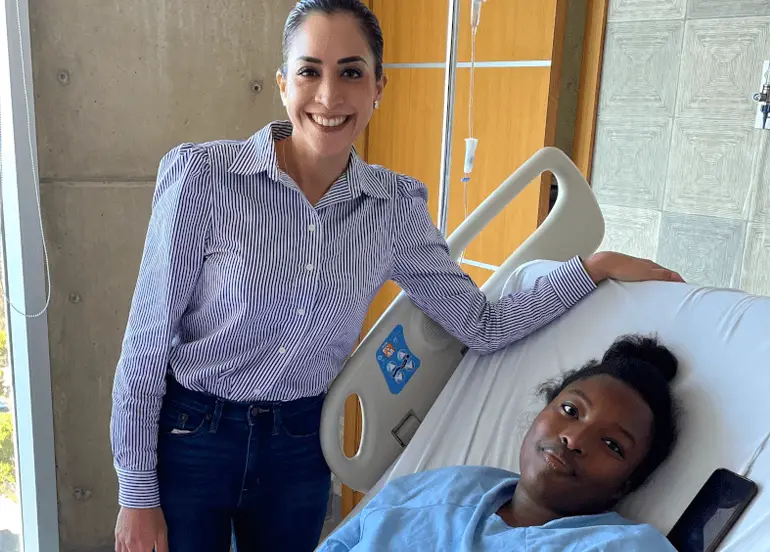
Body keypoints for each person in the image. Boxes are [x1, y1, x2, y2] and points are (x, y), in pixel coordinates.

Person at [110, 1, 684, 551]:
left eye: (352, 73)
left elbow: (479, 324)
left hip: (300, 447)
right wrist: (136, 491)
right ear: (283, 82)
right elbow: (147, 337)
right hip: (193, 435)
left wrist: (590, 268)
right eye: (309, 71)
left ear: (378, 88)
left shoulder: (394, 208)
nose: (330, 95)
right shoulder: (203, 177)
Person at [319, 335, 680, 551]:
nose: (574, 438)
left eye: (613, 445)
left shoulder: (623, 546)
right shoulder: (436, 489)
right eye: (570, 410)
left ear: (626, 484)